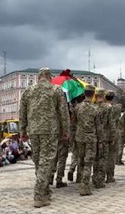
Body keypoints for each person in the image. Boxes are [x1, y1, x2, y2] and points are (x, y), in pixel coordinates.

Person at [19, 67, 69, 208]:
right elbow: (63, 112)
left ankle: (45, 191)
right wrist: (65, 130)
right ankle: (39, 195)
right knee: (46, 161)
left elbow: (22, 112)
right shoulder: (56, 90)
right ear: (49, 77)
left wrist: (22, 130)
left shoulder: (28, 91)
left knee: (38, 161)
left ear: (38, 77)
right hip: (50, 130)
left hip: (34, 131)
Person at [75, 84, 101, 196]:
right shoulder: (96, 109)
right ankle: (85, 186)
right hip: (91, 138)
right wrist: (100, 141)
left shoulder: (77, 107)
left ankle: (81, 181)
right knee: (88, 161)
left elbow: (73, 124)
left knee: (80, 160)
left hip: (79, 137)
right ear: (93, 94)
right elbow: (98, 127)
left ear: (84, 93)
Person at [92, 89, 107, 188]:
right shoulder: (106, 108)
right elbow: (108, 123)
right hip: (103, 135)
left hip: (92, 136)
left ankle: (94, 178)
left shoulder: (93, 107)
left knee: (94, 159)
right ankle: (100, 180)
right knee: (101, 158)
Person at [105, 90, 120, 183]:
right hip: (112, 134)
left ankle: (99, 176)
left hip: (102, 134)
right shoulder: (116, 108)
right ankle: (110, 176)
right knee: (111, 156)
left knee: (102, 156)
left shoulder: (100, 107)